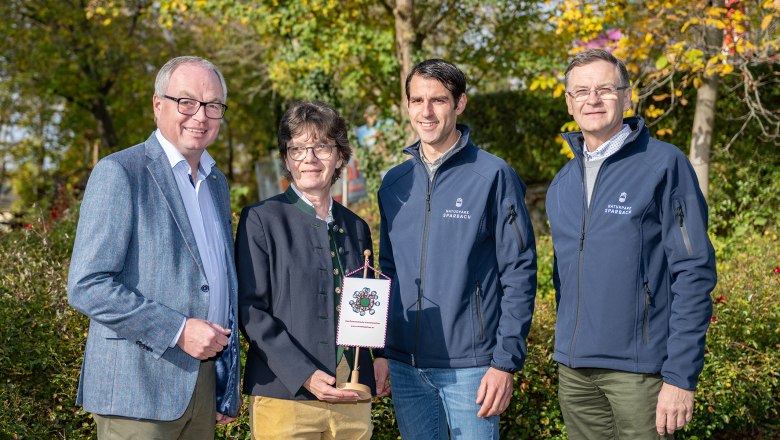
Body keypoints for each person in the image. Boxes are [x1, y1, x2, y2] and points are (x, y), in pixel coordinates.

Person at [546, 48, 717, 439]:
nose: (593, 99)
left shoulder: (663, 165)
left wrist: (680, 376)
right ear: (570, 103)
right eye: (582, 91)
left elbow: (694, 272)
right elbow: (563, 279)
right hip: (575, 373)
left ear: (626, 97)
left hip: (641, 374)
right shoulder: (562, 183)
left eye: (605, 89)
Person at [67, 56, 240, 438]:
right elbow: (87, 285)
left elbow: (215, 283)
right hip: (137, 390)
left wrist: (225, 385)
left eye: (213, 106)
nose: (201, 116)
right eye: (187, 102)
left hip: (201, 385)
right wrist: (178, 330)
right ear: (157, 104)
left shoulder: (216, 183)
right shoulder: (120, 172)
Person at [377, 58, 538, 439]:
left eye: (439, 100)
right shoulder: (394, 182)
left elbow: (519, 271)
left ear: (459, 104)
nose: (426, 112)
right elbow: (387, 270)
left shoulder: (493, 176)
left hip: (472, 368)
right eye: (417, 100)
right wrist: (381, 351)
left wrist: (505, 363)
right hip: (404, 367)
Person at [236, 100, 383, 439]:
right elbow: (250, 310)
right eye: (297, 149)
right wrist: (304, 373)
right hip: (285, 397)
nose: (309, 159)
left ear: (340, 156)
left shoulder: (357, 227)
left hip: (351, 397)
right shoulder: (261, 219)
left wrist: (378, 357)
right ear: (286, 159)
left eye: (321, 147)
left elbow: (365, 306)